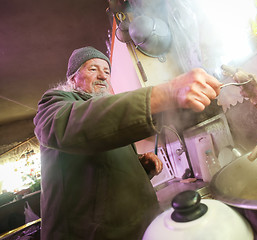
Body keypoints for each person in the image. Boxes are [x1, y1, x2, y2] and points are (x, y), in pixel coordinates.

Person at [33, 46, 221, 240]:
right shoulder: (55, 104)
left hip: (138, 227)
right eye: (93, 69)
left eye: (107, 71)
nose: (103, 76)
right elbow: (78, 125)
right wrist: (165, 93)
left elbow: (102, 170)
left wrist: (139, 166)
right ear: (73, 78)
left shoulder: (106, 116)